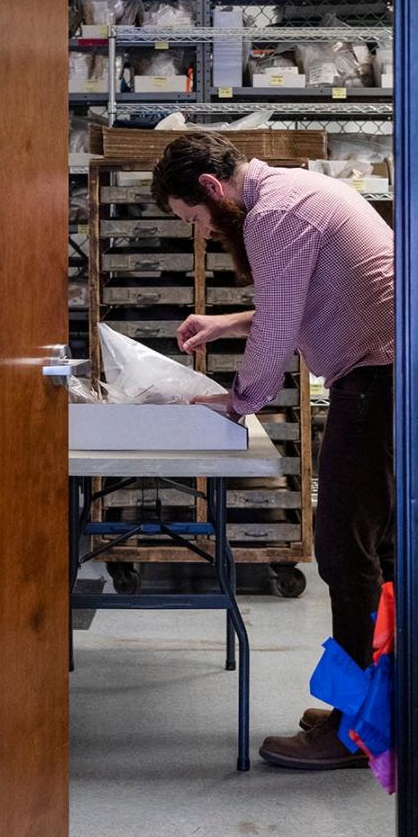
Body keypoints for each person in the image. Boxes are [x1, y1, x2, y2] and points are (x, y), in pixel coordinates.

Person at [151, 133, 394, 770]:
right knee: (381, 550)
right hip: (390, 377)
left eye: (195, 221)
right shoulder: (290, 192)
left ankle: (351, 729)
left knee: (345, 550)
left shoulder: (272, 216)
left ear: (211, 188)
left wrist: (236, 403)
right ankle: (380, 710)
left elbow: (282, 328)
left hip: (377, 381)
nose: (201, 236)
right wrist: (226, 324)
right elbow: (299, 297)